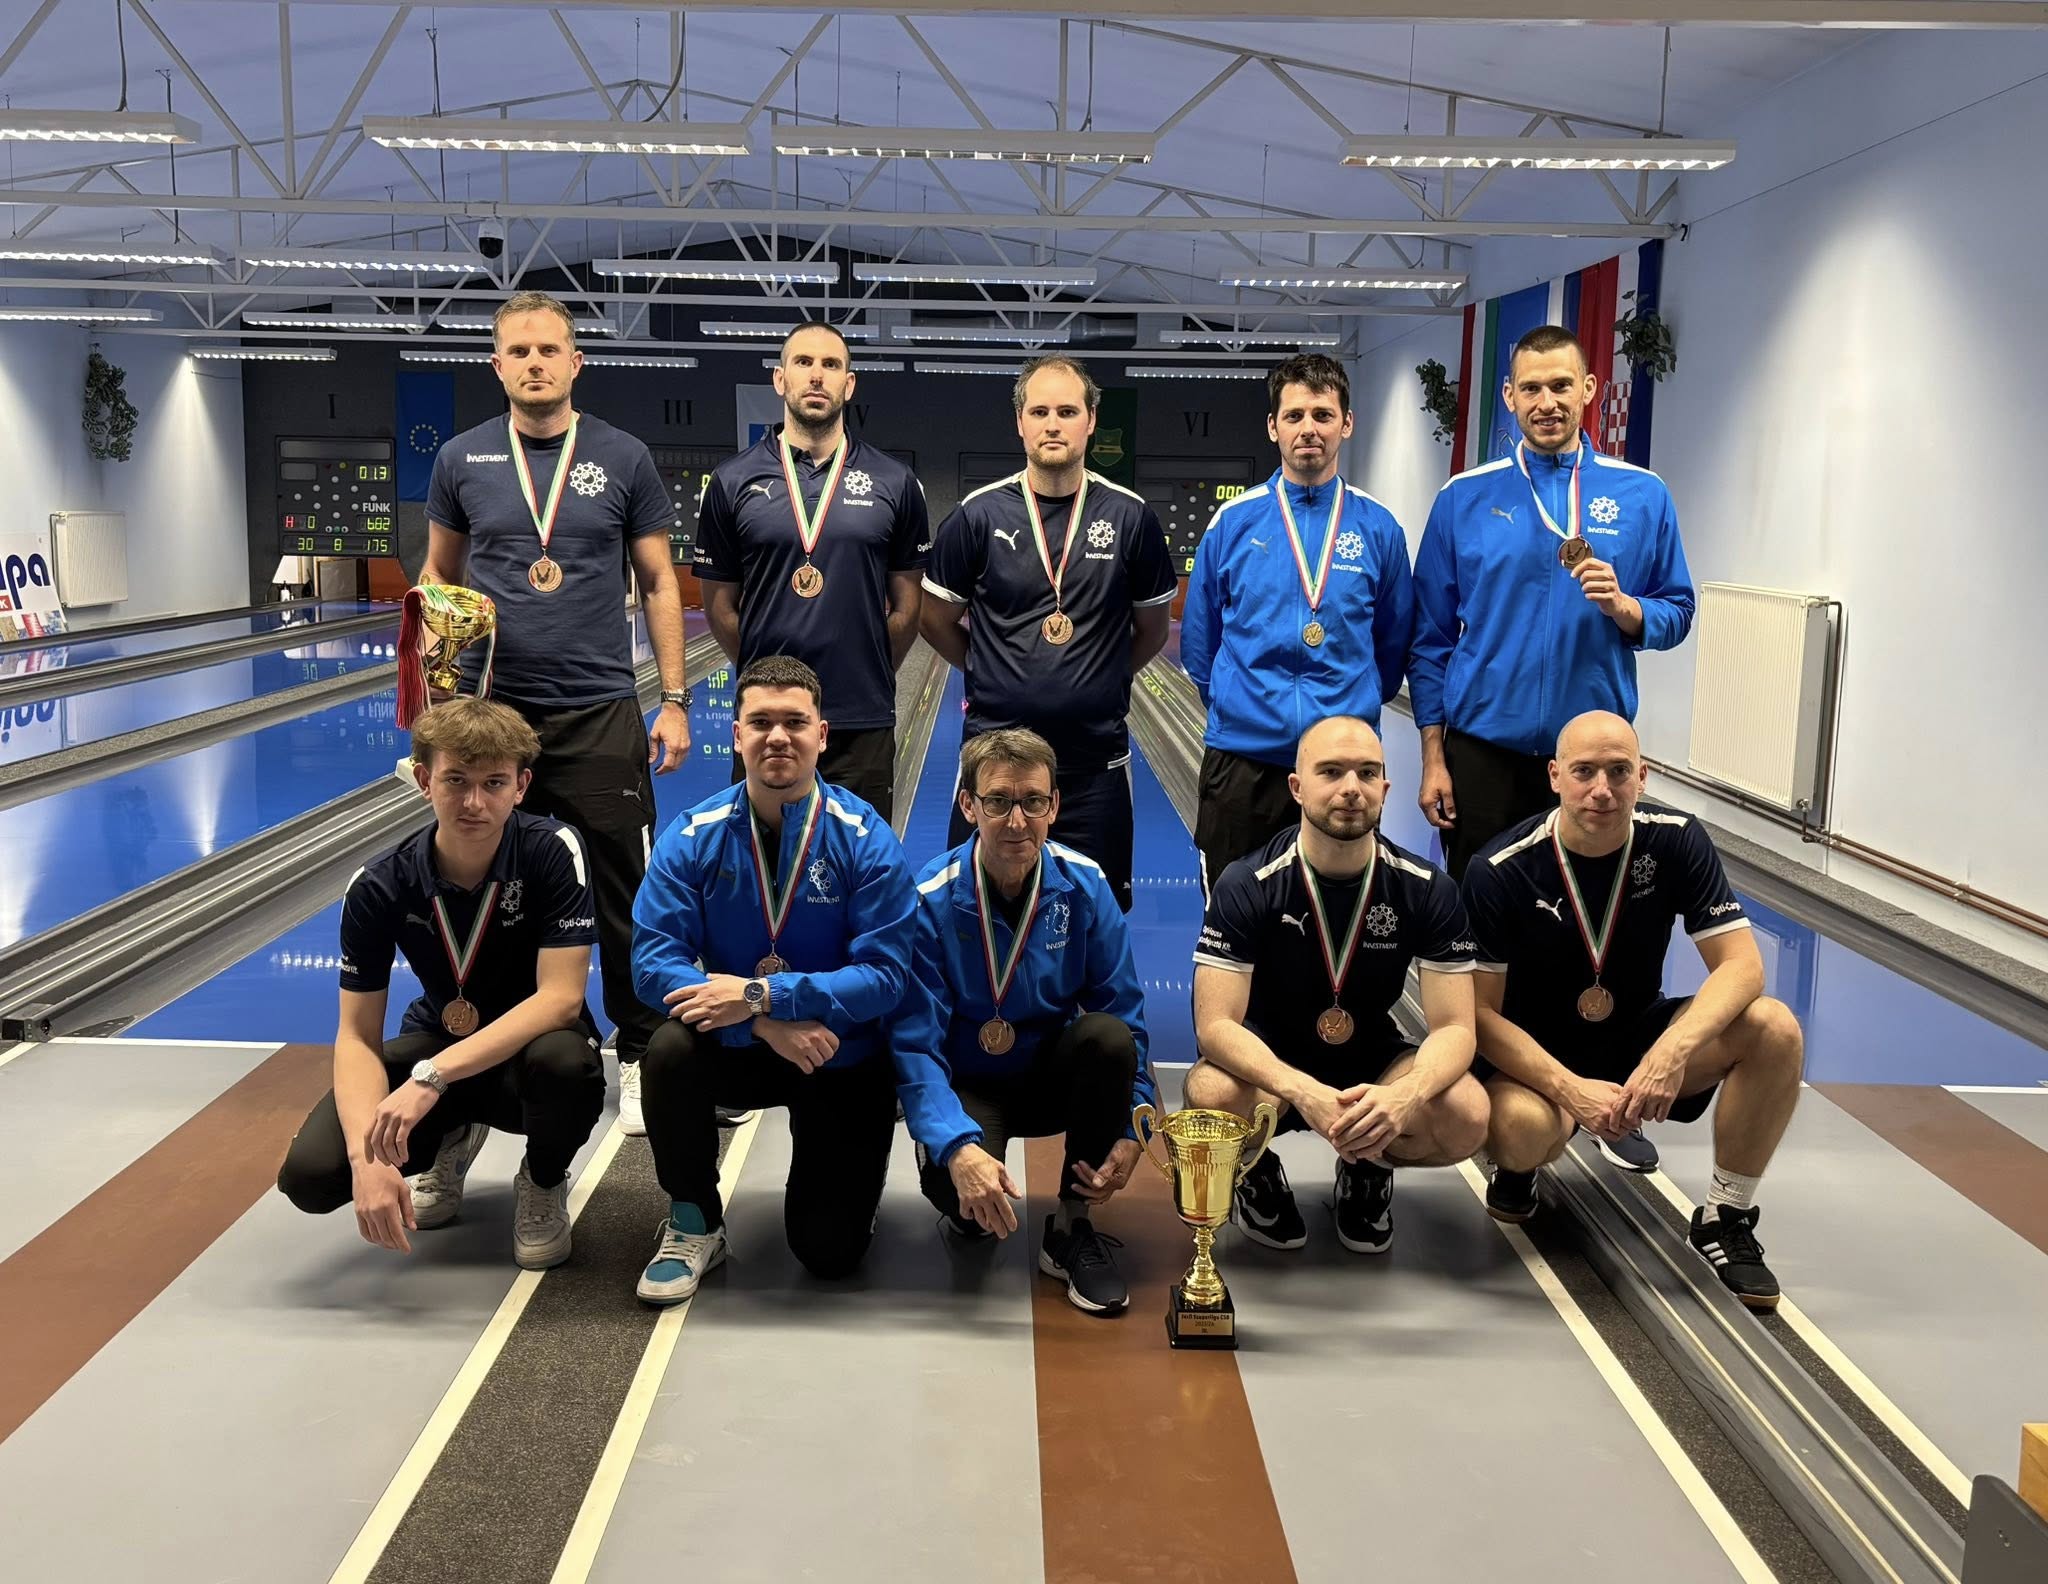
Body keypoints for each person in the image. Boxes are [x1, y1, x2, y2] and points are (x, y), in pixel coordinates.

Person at [1410, 323, 1696, 1170]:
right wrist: (1433, 754)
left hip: (1591, 765)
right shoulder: (1465, 497)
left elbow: (1678, 608)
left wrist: (1630, 610)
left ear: (1588, 391)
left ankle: (1610, 1092)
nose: (1546, 402)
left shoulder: (1641, 495)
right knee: (1487, 938)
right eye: (1530, 388)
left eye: (1561, 387)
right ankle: (1509, 1108)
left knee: (1600, 930)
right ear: (1508, 397)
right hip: (1485, 751)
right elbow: (1431, 638)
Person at [423, 289, 691, 1143]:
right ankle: (526, 1048)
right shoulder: (463, 459)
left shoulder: (622, 456)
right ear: (497, 365)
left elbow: (659, 581)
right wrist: (439, 704)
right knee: (498, 891)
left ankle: (640, 1051)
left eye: (549, 350)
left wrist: (674, 699)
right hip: (495, 717)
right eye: (519, 351)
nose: (534, 363)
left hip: (599, 709)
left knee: (625, 893)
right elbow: (438, 579)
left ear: (576, 362)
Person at [1462, 711, 1804, 1311]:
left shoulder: (1676, 839)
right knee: (1523, 1133)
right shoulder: (1500, 869)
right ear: (1554, 776)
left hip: (1636, 1037)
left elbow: (1743, 967)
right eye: (1584, 772)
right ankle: (1518, 1167)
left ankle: (1725, 1215)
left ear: (1642, 777)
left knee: (1774, 1028)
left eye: (1619, 771)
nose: (1602, 789)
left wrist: (1669, 1053)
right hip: (1536, 1054)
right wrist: (1569, 1091)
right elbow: (1481, 1018)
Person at [629, 655, 937, 1304]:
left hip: (837, 1051)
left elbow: (886, 978)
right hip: (743, 1047)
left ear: (821, 735)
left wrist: (762, 995)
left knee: (830, 1254)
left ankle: (856, 1178)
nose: (777, 737)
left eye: (794, 722)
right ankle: (693, 1220)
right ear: (736, 734)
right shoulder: (694, 836)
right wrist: (761, 1023)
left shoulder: (864, 838)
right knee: (669, 1052)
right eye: (761, 722)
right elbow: (652, 962)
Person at [276, 699, 605, 1270]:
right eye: (456, 780)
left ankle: (544, 1177)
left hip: (529, 1056)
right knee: (313, 1177)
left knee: (567, 1066)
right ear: (424, 780)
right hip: (438, 1042)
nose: (474, 802)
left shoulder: (552, 850)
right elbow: (356, 1037)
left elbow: (560, 1000)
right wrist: (366, 1161)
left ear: (521, 787)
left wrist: (432, 1078)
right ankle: (452, 1138)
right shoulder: (380, 884)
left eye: (493, 782)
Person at [1187, 715, 1488, 1255]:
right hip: (1269, 1061)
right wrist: (1304, 1092)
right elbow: (1215, 1026)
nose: (1352, 788)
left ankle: (1368, 1164)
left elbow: (1457, 1029)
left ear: (1385, 789)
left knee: (1467, 1112)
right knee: (1211, 1095)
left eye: (1367, 773)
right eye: (1331, 772)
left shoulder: (1427, 889)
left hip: (1369, 1057)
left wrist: (1404, 1096)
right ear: (1297, 787)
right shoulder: (1248, 883)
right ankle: (1255, 1170)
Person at [893, 728, 1158, 1316]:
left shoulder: (1085, 887)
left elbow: (1125, 1014)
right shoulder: (931, 899)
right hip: (968, 1085)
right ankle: (959, 1161)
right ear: (969, 805)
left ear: (1054, 806)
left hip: (1047, 1078)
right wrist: (954, 1146)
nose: (1017, 821)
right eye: (998, 801)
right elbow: (914, 1045)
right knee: (970, 1217)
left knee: (1107, 1040)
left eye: (1033, 801)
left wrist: (1133, 1123)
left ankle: (1071, 1224)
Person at [920, 355, 1177, 911]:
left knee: (1095, 918)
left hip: (1094, 768)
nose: (1053, 424)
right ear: (1020, 422)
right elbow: (934, 619)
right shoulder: (977, 516)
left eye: (1067, 411)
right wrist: (988, 668)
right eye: (1039, 412)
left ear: (1092, 420)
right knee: (978, 913)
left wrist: (1104, 675)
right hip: (994, 765)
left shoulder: (1131, 517)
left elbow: (1153, 630)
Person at [1182, 354, 1414, 899]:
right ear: (1273, 426)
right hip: (1244, 760)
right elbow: (1199, 642)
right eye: (1294, 416)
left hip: (1342, 767)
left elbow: (1393, 643)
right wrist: (1242, 706)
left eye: (1323, 415)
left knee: (1336, 919)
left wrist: (1348, 708)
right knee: (1232, 918)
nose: (1309, 428)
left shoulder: (1378, 527)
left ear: (1346, 423)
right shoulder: (1233, 522)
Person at [695, 321, 929, 819]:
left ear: (849, 383)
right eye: (803, 362)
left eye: (831, 364)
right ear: (780, 379)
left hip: (861, 718)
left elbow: (909, 607)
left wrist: (867, 666)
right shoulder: (732, 480)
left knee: (859, 861)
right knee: (762, 858)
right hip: (768, 721)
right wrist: (764, 675)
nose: (817, 375)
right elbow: (719, 607)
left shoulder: (895, 481)